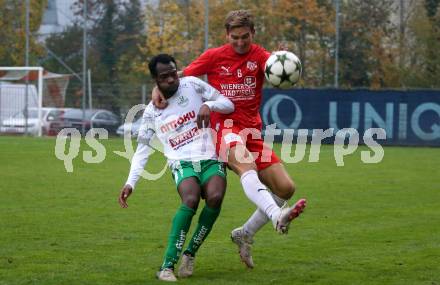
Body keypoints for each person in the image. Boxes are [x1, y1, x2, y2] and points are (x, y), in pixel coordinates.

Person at [152, 10, 307, 269]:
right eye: (234, 37)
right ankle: (276, 215)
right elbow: (181, 77)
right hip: (223, 129)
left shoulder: (260, 56)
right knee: (246, 166)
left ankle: (244, 234)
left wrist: (284, 58)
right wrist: (158, 87)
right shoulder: (214, 56)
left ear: (253, 34)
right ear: (227, 35)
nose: (239, 42)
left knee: (285, 188)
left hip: (252, 132)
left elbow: (278, 67)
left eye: (245, 37)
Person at [118, 54, 235, 281]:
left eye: (173, 72)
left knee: (215, 196)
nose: (172, 79)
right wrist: (130, 182)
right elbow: (142, 151)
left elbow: (229, 105)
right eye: (165, 76)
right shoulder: (152, 112)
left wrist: (208, 105)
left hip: (210, 156)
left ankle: (190, 253)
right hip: (181, 162)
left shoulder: (192, 84)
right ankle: (167, 266)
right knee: (190, 200)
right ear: (155, 79)